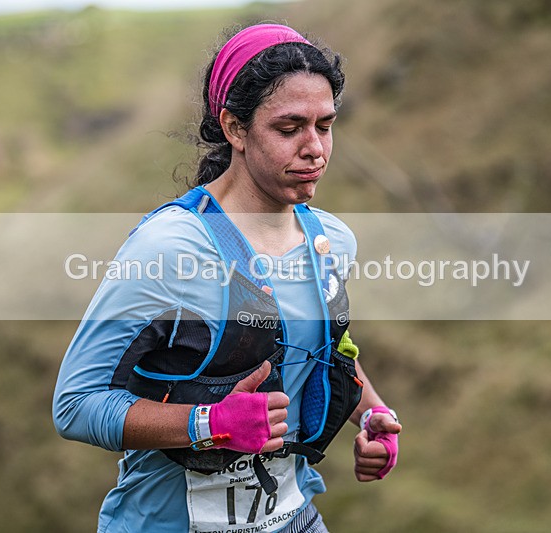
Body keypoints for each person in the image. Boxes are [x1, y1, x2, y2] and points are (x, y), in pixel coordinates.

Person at [53, 23, 401, 533]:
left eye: (324, 126)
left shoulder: (332, 241)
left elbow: (328, 345)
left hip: (294, 517)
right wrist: (210, 426)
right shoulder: (169, 249)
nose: (315, 149)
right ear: (235, 128)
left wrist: (372, 415)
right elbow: (76, 405)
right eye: (289, 129)